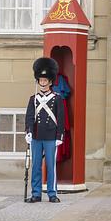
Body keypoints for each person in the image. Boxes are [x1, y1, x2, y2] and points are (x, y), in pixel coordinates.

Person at [24, 57, 65, 203]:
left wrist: (60, 136)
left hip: (50, 136)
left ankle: (52, 193)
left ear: (50, 81)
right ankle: (36, 193)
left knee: (50, 166)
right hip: (36, 135)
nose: (42, 83)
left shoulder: (57, 98)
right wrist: (28, 131)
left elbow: (60, 118)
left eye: (45, 80)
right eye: (40, 80)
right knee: (36, 166)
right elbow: (29, 117)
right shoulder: (33, 99)